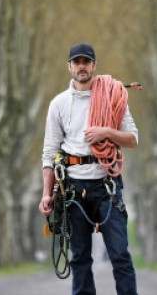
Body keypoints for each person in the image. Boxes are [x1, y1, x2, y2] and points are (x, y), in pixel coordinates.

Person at [39, 43, 139, 295]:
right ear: (69, 67)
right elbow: (49, 153)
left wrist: (106, 132)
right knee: (80, 257)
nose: (81, 66)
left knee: (120, 255)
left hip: (107, 185)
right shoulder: (58, 104)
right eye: (76, 62)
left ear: (94, 66)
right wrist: (46, 193)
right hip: (72, 189)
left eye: (86, 61)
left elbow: (133, 139)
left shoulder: (113, 97)